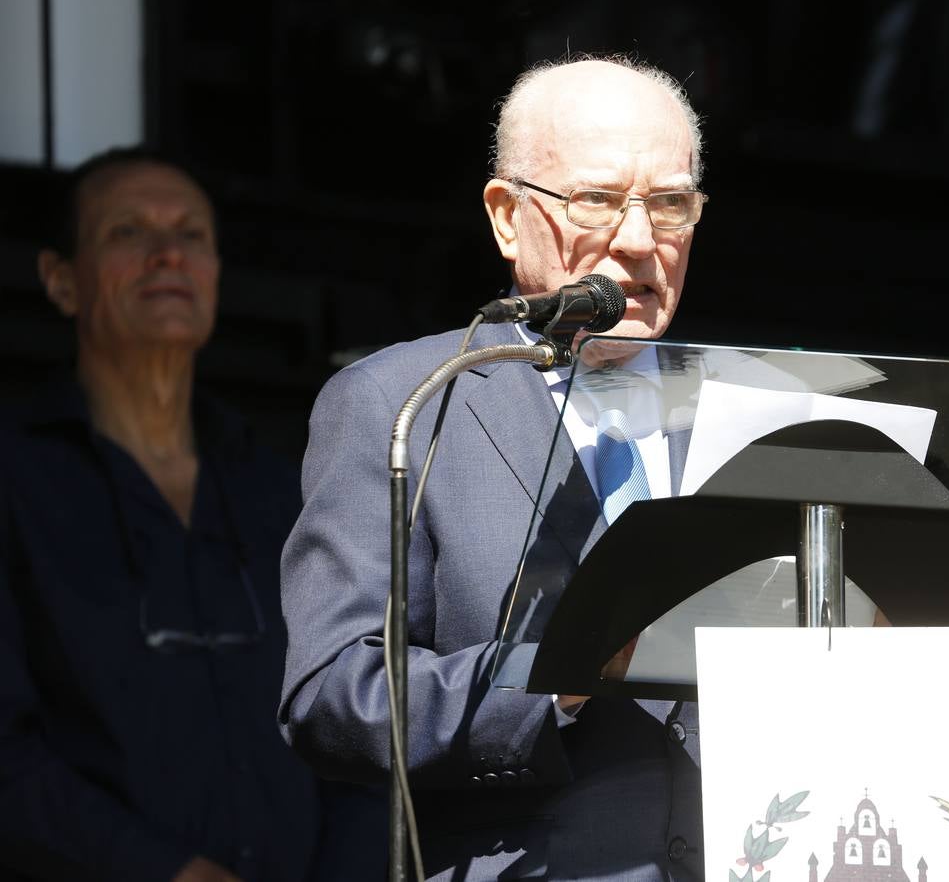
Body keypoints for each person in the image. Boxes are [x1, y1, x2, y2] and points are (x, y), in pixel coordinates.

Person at [278, 55, 707, 880]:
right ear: (508, 218)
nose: (639, 241)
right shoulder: (406, 403)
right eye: (596, 199)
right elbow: (332, 694)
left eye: (670, 204)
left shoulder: (762, 405)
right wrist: (562, 671)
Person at [0, 148, 383, 881]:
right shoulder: (17, 480)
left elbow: (355, 715)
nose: (168, 254)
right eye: (128, 232)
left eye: (191, 235)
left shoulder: (284, 488)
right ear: (61, 279)